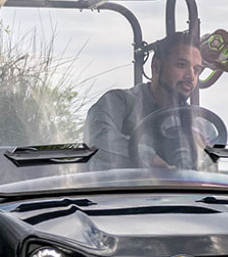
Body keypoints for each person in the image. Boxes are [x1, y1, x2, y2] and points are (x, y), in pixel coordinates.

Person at [84, 32, 206, 168]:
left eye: (196, 70)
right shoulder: (117, 102)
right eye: (181, 65)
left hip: (177, 189)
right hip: (117, 188)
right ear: (156, 66)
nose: (191, 76)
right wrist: (152, 160)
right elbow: (97, 137)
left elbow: (208, 160)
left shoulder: (195, 121)